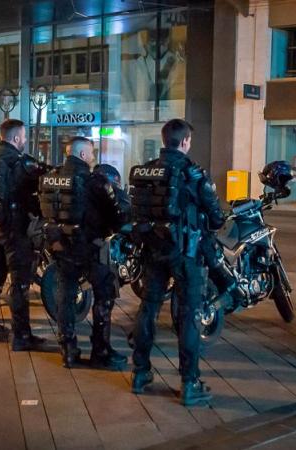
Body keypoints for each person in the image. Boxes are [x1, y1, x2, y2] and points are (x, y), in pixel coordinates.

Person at [129, 119, 225, 406]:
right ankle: (189, 382)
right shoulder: (193, 173)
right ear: (184, 142)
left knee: (148, 308)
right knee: (188, 314)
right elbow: (217, 217)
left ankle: (140, 373)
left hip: (152, 250)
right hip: (186, 253)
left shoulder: (145, 170)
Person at [39, 138, 129, 369]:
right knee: (105, 294)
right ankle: (100, 350)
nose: (92, 157)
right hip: (90, 247)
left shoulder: (49, 177)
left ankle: (68, 350)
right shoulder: (93, 181)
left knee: (65, 296)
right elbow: (117, 215)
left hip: (60, 247)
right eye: (90, 153)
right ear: (81, 154)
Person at [0, 119, 48, 347]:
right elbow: (37, 191)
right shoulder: (20, 164)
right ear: (15, 138)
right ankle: (22, 336)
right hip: (16, 232)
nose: (24, 141)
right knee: (20, 284)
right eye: (23, 137)